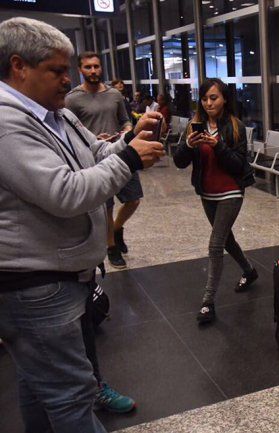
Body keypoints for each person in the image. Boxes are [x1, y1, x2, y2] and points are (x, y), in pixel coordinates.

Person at [0, 17, 164, 433]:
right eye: (56, 70)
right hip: (34, 286)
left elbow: (96, 153)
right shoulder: (8, 124)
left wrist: (129, 140)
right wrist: (131, 159)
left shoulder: (55, 113)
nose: (67, 79)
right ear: (19, 66)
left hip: (57, 276)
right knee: (72, 395)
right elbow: (66, 193)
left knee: (40, 385)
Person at [174, 78, 259, 324]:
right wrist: (188, 146)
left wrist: (219, 146)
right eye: (204, 99)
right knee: (226, 239)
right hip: (207, 193)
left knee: (215, 245)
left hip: (231, 192)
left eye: (214, 98)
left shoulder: (235, 126)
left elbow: (238, 165)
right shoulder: (194, 126)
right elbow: (179, 162)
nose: (209, 103)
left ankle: (208, 302)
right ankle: (249, 271)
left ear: (224, 99)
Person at [66, 52, 141, 270]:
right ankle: (111, 247)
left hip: (120, 152)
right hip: (94, 159)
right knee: (106, 206)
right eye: (88, 67)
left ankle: (116, 229)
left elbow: (125, 120)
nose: (93, 71)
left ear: (101, 67)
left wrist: (126, 130)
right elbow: (69, 130)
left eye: (96, 66)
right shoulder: (72, 99)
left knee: (133, 199)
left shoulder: (114, 94)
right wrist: (93, 139)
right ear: (80, 70)